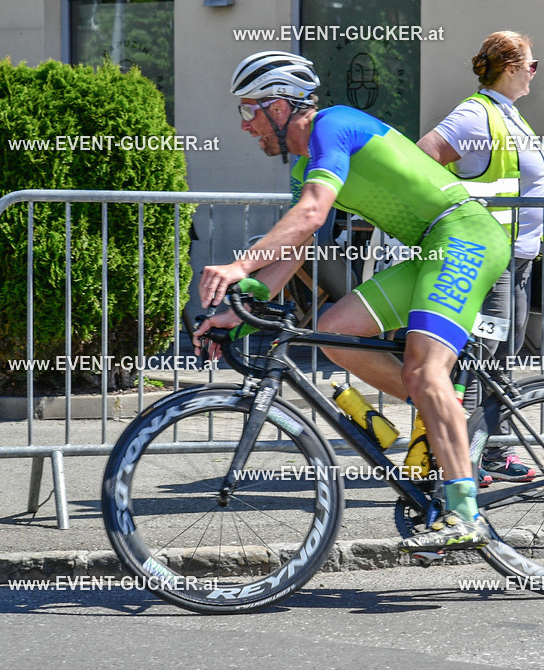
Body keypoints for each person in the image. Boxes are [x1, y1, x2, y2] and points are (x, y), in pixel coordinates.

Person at [194, 51, 511, 553]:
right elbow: (295, 247)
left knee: (423, 371)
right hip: (435, 247)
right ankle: (444, 412)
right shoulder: (305, 165)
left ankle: (464, 512)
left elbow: (312, 215)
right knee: (336, 329)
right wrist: (240, 309)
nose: (244, 125)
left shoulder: (334, 125)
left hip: (466, 236)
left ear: (280, 107)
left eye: (249, 109)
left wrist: (238, 265)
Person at [417, 31, 544, 484]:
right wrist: (457, 217)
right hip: (491, 260)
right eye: (532, 66)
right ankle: (463, 462)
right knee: (481, 357)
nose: (535, 74)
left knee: (501, 361)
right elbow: (423, 159)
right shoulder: (476, 114)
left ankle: (493, 452)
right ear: (511, 67)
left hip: (520, 260)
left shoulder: (508, 116)